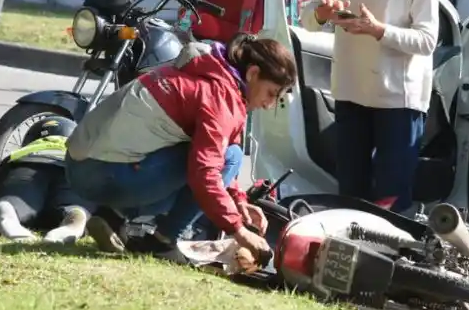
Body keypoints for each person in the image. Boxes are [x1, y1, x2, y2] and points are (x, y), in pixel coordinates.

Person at [65, 33, 298, 256]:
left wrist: (239, 201)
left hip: (80, 165)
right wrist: (238, 230)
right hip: (103, 174)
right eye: (271, 94)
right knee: (226, 159)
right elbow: (206, 172)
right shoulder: (220, 95)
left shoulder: (209, 69)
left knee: (228, 155)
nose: (269, 105)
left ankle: (112, 217)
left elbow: (220, 148)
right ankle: (163, 242)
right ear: (253, 73)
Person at [299, 0, 439, 216]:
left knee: (390, 202)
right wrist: (323, 13)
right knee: (350, 197)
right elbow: (306, 20)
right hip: (350, 90)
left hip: (399, 99)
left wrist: (380, 31)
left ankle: (390, 264)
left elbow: (427, 40)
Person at [0, 116, 94, 244]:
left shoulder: (24, 150)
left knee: (17, 197)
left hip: (26, 163)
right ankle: (75, 219)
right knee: (75, 203)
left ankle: (8, 208)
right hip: (72, 166)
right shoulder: (77, 150)